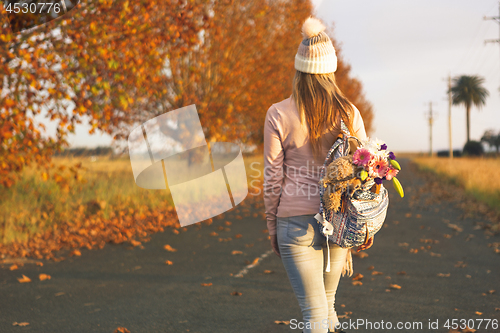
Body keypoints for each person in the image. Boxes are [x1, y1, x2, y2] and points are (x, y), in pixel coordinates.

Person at [263, 17, 373, 333]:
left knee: (314, 313)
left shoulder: (278, 113)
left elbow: (273, 178)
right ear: (330, 71)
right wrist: (362, 225)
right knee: (325, 305)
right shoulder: (349, 113)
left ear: (299, 70)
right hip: (337, 221)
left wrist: (272, 225)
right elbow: (364, 177)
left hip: (293, 222)